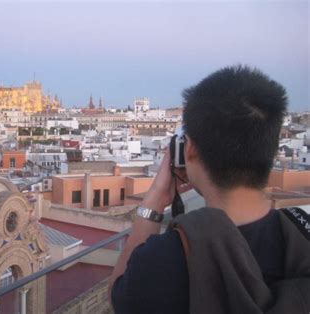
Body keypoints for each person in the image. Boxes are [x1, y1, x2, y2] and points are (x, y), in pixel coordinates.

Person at [109, 65, 310, 313]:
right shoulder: (301, 236)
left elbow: (119, 295)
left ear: (189, 149)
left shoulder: (165, 259)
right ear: (271, 148)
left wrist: (156, 199)